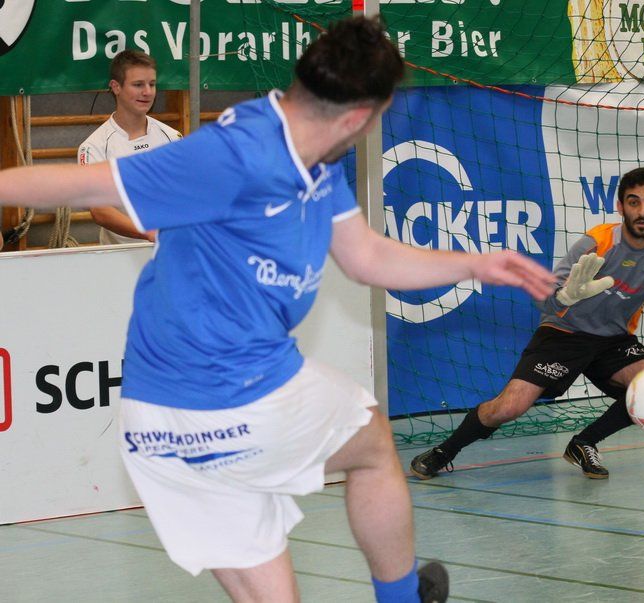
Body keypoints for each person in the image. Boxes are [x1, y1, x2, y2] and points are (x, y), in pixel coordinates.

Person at [0, 17, 556, 603]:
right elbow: (78, 186)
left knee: (370, 439)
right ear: (355, 118)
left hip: (258, 381)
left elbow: (366, 256)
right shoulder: (234, 154)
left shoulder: (312, 155)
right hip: (199, 410)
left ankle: (399, 596)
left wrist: (474, 263)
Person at [410, 167, 644, 481]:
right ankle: (444, 451)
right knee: (509, 407)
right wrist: (565, 296)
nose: (642, 211)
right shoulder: (597, 241)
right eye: (633, 202)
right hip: (563, 332)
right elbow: (545, 298)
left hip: (613, 340)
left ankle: (584, 443)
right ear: (620, 206)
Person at [79, 49, 181, 245]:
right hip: (119, 258)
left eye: (152, 84)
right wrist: (148, 233)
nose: (147, 92)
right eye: (138, 84)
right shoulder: (94, 147)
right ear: (116, 87)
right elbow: (100, 210)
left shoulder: (171, 137)